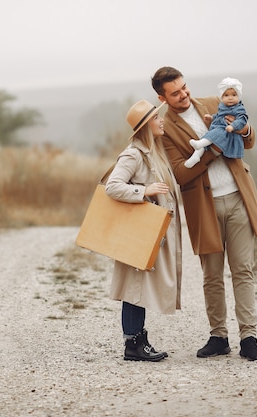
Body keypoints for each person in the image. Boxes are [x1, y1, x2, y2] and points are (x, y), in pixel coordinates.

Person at [151, 67, 257, 361]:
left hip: (238, 198)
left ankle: (249, 337)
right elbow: (180, 173)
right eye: (175, 93)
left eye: (184, 87)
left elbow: (249, 141)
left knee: (243, 270)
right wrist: (214, 149)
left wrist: (243, 130)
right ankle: (218, 337)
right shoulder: (166, 128)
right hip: (204, 207)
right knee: (212, 275)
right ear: (162, 97)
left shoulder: (216, 103)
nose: (184, 95)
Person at [105, 99, 182, 362]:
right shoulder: (134, 154)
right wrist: (144, 191)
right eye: (156, 118)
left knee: (139, 284)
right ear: (146, 125)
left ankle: (138, 341)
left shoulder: (153, 151)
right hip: (138, 231)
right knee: (134, 286)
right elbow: (112, 186)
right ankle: (134, 345)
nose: (161, 121)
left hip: (150, 232)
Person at [184, 77, 248, 168]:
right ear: (222, 97)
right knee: (208, 136)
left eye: (234, 95)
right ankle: (196, 156)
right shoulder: (222, 105)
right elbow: (219, 115)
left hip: (227, 131)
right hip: (218, 128)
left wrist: (233, 126)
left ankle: (199, 144)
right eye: (226, 95)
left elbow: (242, 119)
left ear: (239, 96)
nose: (230, 98)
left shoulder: (239, 108)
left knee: (212, 135)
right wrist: (211, 117)